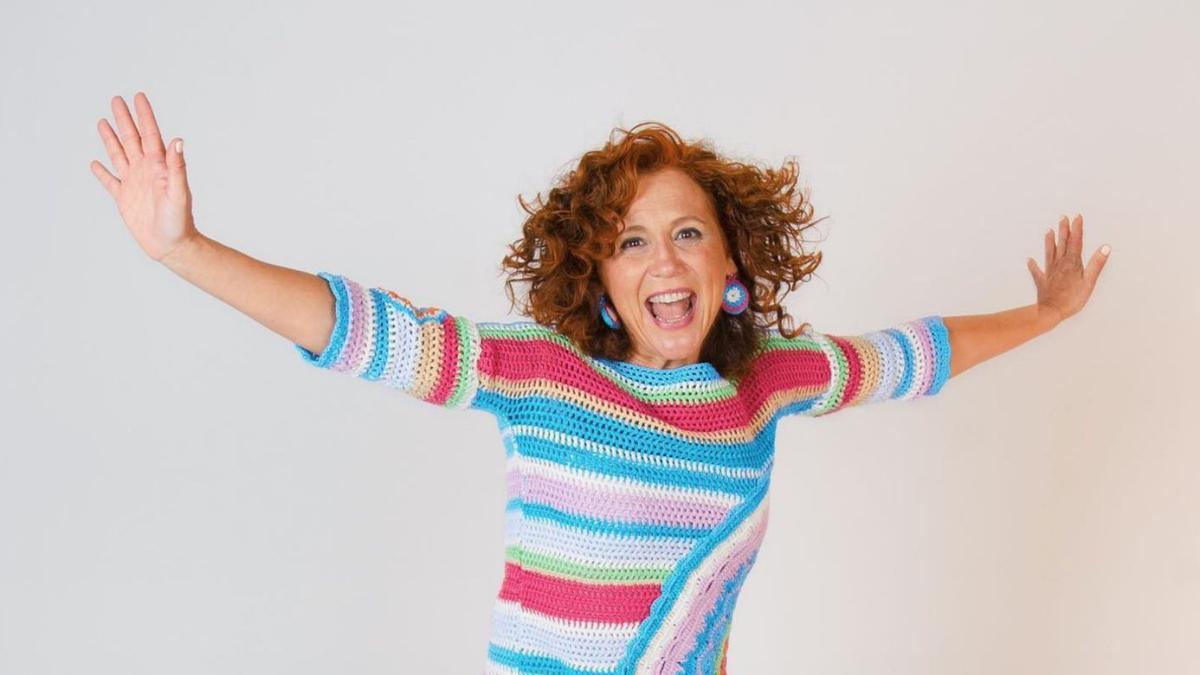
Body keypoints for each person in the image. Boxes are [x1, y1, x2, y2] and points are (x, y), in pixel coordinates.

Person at [90, 91, 1111, 675]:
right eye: (631, 242)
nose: (664, 259)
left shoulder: (766, 380)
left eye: (688, 233)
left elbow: (913, 356)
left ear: (729, 263)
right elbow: (367, 333)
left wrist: (1048, 315)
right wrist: (186, 249)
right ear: (602, 280)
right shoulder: (545, 375)